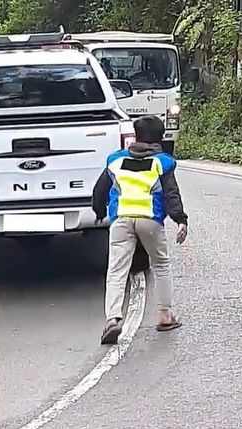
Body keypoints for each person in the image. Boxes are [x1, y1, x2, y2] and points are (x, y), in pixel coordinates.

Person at [92, 115, 189, 345]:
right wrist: (181, 220)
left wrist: (98, 212)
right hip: (150, 221)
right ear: (161, 138)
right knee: (161, 265)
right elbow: (171, 194)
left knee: (116, 271)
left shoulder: (115, 161)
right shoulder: (162, 163)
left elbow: (100, 190)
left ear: (135, 136)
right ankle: (165, 315)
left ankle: (113, 319)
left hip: (121, 220)